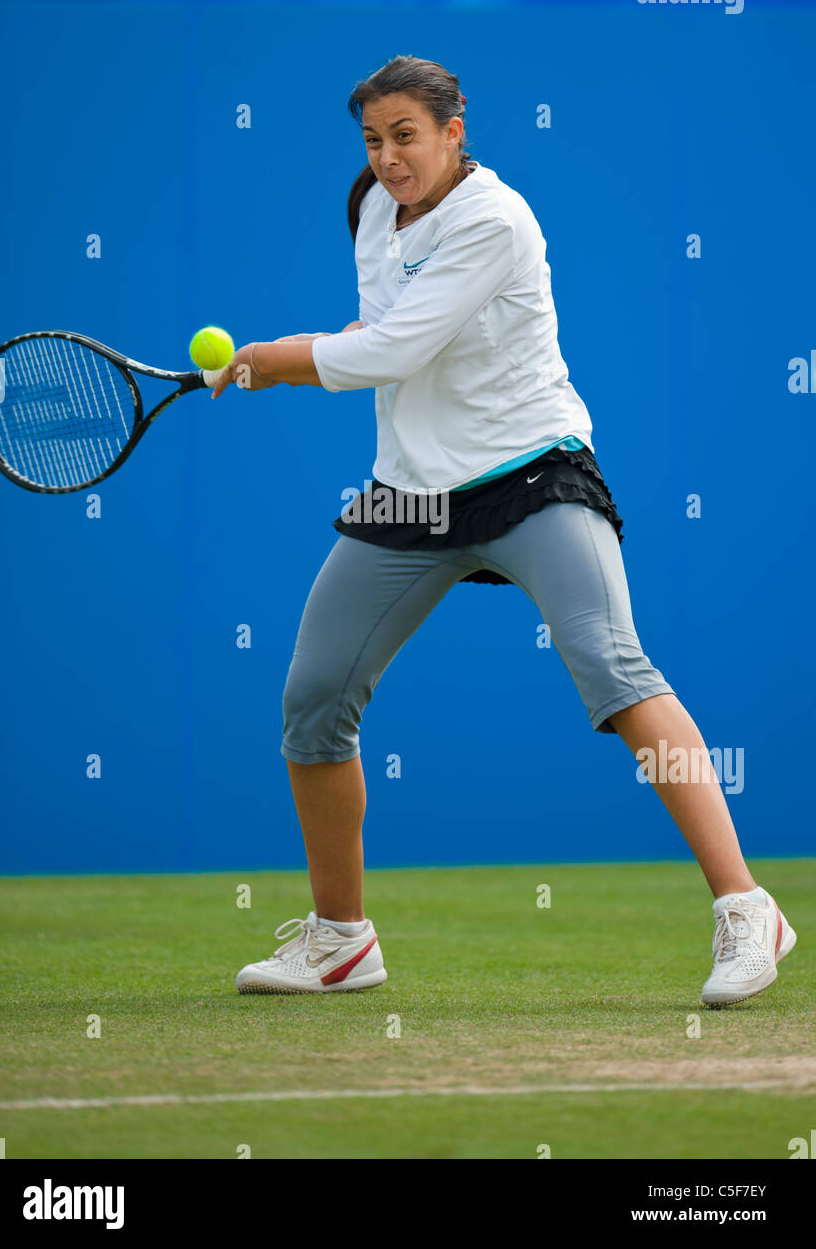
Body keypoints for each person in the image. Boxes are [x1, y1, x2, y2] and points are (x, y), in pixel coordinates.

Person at [212, 55, 796, 1008]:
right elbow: (386, 337)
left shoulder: (495, 217)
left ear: (453, 128)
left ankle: (744, 908)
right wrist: (308, 360)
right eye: (373, 139)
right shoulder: (369, 207)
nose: (389, 157)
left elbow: (393, 348)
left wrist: (280, 359)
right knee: (314, 695)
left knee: (613, 668)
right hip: (408, 495)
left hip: (530, 474)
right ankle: (339, 939)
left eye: (406, 135)